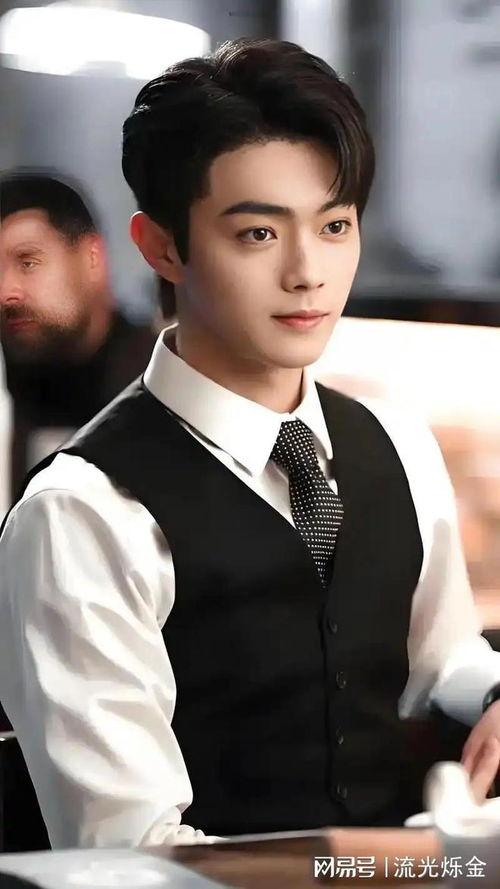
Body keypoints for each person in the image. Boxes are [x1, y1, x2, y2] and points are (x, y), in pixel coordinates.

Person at [0, 38, 500, 849]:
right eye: (260, 234)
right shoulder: (80, 514)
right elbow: (135, 853)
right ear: (162, 246)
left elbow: (441, 661)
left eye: (334, 225)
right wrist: (395, 867)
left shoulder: (398, 444)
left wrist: (492, 694)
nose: (308, 272)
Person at [0, 170, 156, 502]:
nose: (6, 293)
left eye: (28, 263)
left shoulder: (167, 388)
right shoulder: (9, 392)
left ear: (92, 257)